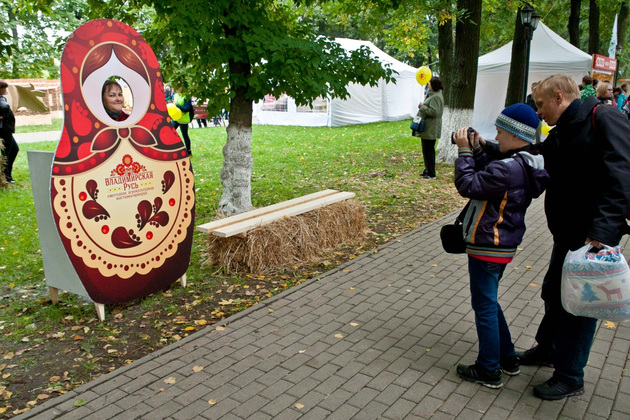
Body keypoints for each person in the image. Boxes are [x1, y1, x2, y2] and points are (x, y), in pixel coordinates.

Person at [516, 74, 630, 400]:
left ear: (559, 97)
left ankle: (570, 376)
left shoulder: (603, 117)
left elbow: (623, 175)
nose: (539, 112)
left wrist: (602, 232)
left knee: (580, 307)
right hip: (567, 234)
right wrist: (493, 147)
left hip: (592, 238)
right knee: (554, 293)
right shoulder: (564, 129)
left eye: (541, 104)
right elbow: (538, 154)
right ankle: (548, 349)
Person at [452, 104, 549, 389]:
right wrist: (479, 150)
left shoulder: (507, 169)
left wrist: (465, 152)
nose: (496, 136)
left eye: (499, 132)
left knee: (483, 306)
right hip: (502, 243)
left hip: (488, 244)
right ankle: (507, 357)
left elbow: (468, 185)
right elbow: (491, 178)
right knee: (490, 301)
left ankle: (488, 368)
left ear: (515, 134)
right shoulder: (526, 163)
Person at [413, 77, 444, 179]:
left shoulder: (436, 97)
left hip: (431, 127)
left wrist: (422, 107)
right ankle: (427, 170)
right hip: (428, 127)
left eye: (430, 83)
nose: (429, 85)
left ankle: (431, 173)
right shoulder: (433, 95)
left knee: (429, 150)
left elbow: (434, 112)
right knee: (426, 150)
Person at [0, 80, 18, 183]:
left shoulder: (2, 98)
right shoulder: (1, 99)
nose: (5, 90)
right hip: (4, 130)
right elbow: (4, 106)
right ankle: (5, 176)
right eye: (4, 88)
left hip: (6, 129)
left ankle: (7, 175)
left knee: (14, 150)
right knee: (6, 153)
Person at [172, 88, 193, 155]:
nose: (177, 88)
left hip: (183, 119)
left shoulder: (186, 96)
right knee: (170, 131)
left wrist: (177, 106)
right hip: (175, 118)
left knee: (184, 135)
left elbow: (187, 108)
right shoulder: (176, 95)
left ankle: (188, 150)